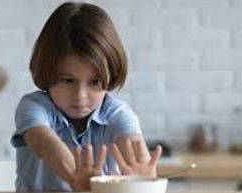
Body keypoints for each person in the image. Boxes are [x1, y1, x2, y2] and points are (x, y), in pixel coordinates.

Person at [11, 2, 162, 192]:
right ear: (47, 71)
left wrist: (142, 180)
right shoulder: (33, 106)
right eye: (67, 80)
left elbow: (133, 147)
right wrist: (77, 179)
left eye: (95, 82)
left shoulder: (117, 113)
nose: (80, 96)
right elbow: (45, 144)